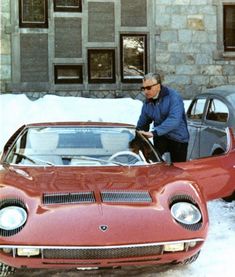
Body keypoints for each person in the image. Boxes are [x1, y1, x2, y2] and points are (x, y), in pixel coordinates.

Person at [136, 72, 189, 162]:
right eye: (143, 88)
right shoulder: (148, 102)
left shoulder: (174, 97)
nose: (145, 91)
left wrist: (154, 132)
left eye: (148, 88)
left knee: (178, 169)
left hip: (178, 137)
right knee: (154, 163)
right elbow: (143, 121)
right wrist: (137, 134)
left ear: (158, 86)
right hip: (161, 137)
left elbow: (174, 120)